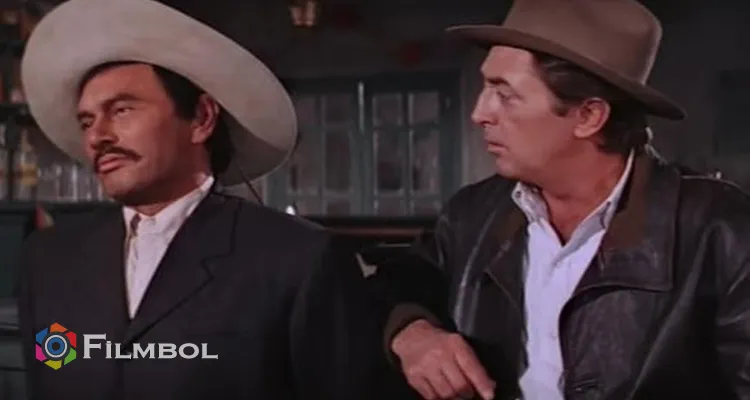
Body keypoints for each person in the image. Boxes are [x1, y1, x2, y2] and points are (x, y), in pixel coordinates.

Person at [378, 0, 750, 399]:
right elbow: (396, 284)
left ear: (588, 116)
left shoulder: (720, 229)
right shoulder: (472, 215)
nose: (479, 113)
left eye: (505, 94)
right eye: (486, 87)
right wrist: (412, 331)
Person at [17, 0, 382, 398]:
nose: (96, 136)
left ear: (202, 119)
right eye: (86, 121)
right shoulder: (49, 259)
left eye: (121, 110)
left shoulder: (298, 259)